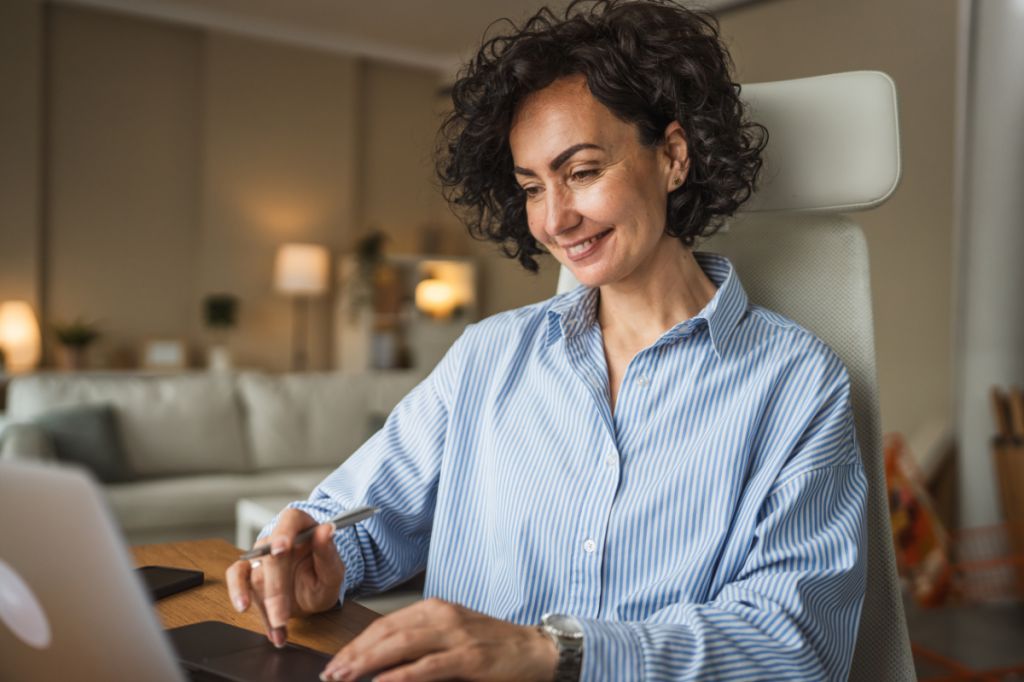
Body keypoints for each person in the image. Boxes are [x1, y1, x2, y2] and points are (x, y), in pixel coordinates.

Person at [226, 1, 868, 680]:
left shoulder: (797, 382)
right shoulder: (488, 356)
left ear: (674, 156)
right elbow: (361, 512)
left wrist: (557, 654)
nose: (556, 219)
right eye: (532, 187)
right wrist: (322, 565)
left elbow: (794, 644)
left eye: (583, 171)